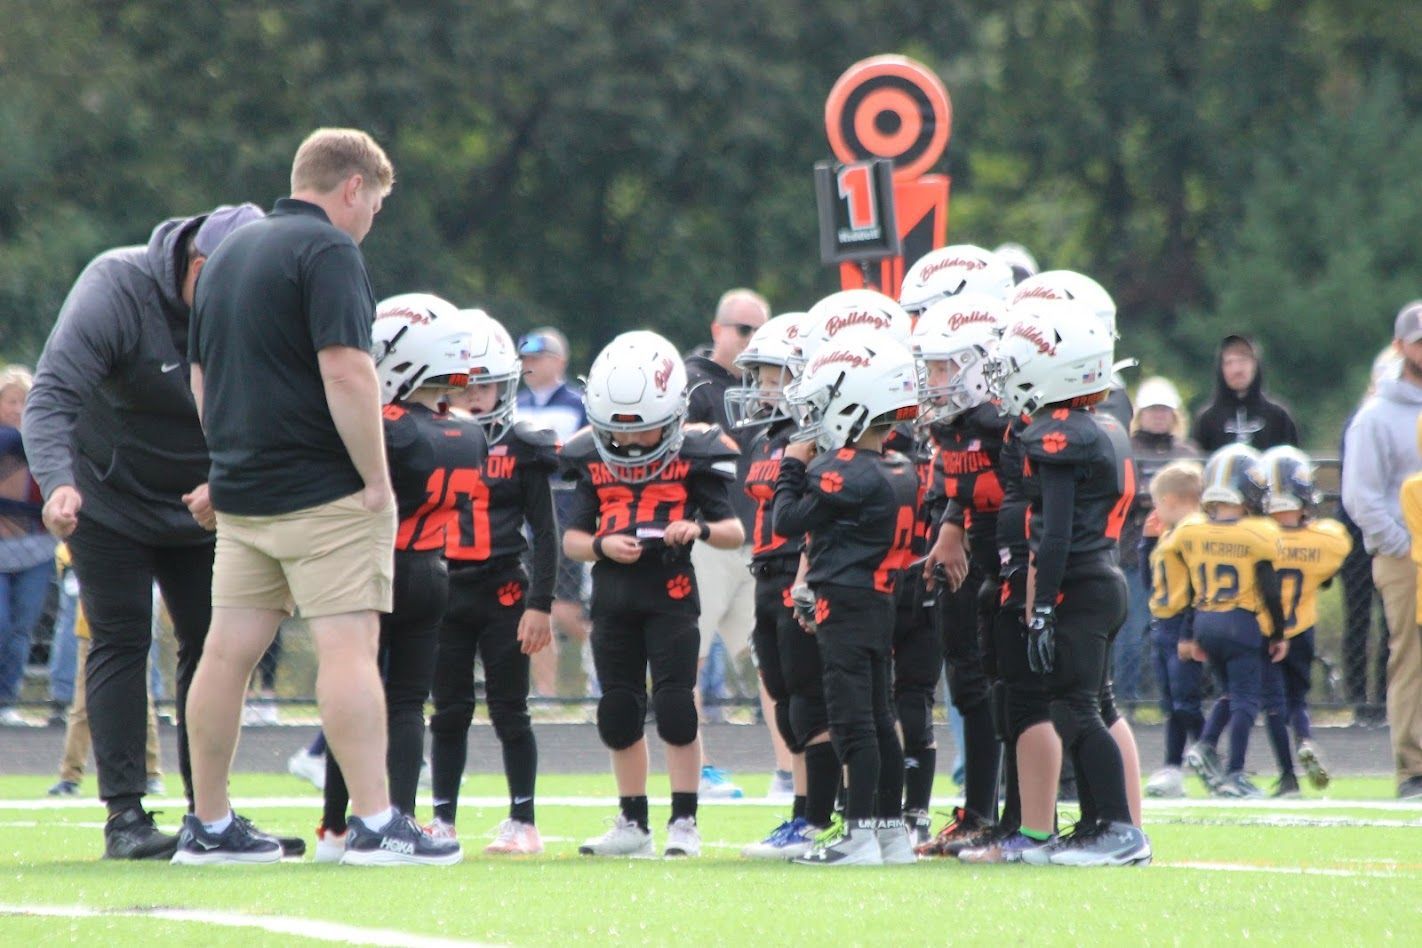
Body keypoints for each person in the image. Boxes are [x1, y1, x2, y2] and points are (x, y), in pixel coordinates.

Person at [177, 128, 455, 866]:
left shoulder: (229, 250)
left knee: (225, 653)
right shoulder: (331, 250)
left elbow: (200, 377)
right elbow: (348, 372)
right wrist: (374, 479)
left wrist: (228, 458)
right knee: (349, 647)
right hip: (323, 491)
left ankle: (207, 825)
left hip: (243, 491)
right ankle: (373, 822)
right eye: (376, 205)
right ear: (353, 187)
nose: (371, 221)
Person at [22, 201, 263, 859]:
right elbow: (52, 395)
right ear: (196, 264)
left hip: (204, 502)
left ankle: (209, 815)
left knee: (214, 646)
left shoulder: (261, 299)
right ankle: (124, 817)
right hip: (107, 498)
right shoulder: (116, 286)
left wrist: (233, 481)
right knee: (122, 636)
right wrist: (58, 480)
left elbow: (286, 408)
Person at [311, 294, 484, 866]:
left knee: (355, 695)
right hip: (433, 570)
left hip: (377, 567)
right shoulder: (468, 433)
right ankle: (397, 819)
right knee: (408, 703)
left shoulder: (390, 426)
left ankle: (338, 828)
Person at [976, 304, 1150, 867]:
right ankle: (1100, 824)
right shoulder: (1099, 425)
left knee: (1074, 709)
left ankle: (1121, 830)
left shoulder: (1059, 433)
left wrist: (1043, 605)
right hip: (1102, 576)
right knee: (1088, 704)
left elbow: (1049, 536)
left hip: (1078, 581)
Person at [562, 330, 744, 859]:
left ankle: (684, 820)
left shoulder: (693, 455)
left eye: (647, 433)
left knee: (675, 708)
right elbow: (572, 538)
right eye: (625, 435)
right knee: (618, 710)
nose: (636, 445)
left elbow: (732, 529)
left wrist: (698, 531)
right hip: (614, 597)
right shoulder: (592, 460)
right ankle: (633, 821)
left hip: (671, 591)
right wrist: (600, 544)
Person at [773, 332, 921, 867]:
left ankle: (858, 833)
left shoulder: (845, 471)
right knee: (880, 715)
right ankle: (888, 831)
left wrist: (792, 463)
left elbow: (785, 520)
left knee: (852, 718)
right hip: (880, 601)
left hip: (850, 603)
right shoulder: (899, 468)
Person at [427, 311, 558, 855]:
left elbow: (547, 533)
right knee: (448, 710)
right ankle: (442, 821)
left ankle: (523, 820)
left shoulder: (524, 447)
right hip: (443, 585)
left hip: (504, 587)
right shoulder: (427, 438)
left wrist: (541, 604)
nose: (477, 396)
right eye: (465, 384)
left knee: (510, 708)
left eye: (486, 384)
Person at [729, 314, 832, 860]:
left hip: (797, 570)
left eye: (774, 378)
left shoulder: (816, 437)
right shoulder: (772, 437)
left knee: (808, 701)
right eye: (762, 378)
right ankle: (803, 812)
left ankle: (815, 818)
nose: (763, 389)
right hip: (766, 574)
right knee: (783, 696)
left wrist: (805, 579)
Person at [913, 293, 1011, 855]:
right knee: (968, 683)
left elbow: (1014, 492)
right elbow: (957, 489)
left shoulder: (1002, 421)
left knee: (1009, 688)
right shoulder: (951, 423)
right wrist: (952, 524)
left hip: (1004, 555)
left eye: (944, 366)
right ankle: (978, 812)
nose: (933, 380)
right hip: (967, 551)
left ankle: (1017, 818)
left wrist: (961, 525)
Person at [684, 288, 770, 800]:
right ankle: (699, 770)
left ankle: (790, 772)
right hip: (707, 538)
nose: (752, 340)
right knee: (688, 657)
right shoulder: (694, 384)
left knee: (773, 661)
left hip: (757, 540)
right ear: (718, 330)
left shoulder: (771, 385)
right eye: (743, 329)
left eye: (760, 330)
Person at [1178, 445, 1290, 798]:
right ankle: (1234, 772)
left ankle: (1205, 744)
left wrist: (1188, 632)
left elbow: (1189, 588)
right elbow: (1270, 590)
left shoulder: (1194, 530)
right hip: (1239, 621)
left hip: (1205, 619)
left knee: (1230, 693)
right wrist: (1278, 631)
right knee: (1247, 699)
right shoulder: (1257, 533)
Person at [1343, 302, 1422, 799]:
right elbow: (1361, 495)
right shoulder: (1377, 415)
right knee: (1411, 658)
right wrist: (1405, 543)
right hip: (1407, 556)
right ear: (1399, 346)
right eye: (1419, 340)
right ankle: (1413, 768)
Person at [1259, 446, 1350, 796]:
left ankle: (1287, 776)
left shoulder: (1257, 535)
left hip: (1267, 628)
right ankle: (1306, 738)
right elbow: (1327, 574)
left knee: (1272, 703)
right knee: (1297, 700)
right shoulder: (1327, 538)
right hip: (1303, 626)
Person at [47, 543, 165, 798]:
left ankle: (151, 772)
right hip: (92, 632)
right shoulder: (79, 543)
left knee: (140, 700)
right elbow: (70, 580)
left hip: (132, 629)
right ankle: (70, 776)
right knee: (82, 705)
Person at [516, 327, 593, 698]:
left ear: (559, 362)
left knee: (565, 610)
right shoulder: (516, 405)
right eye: (525, 359)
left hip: (564, 521)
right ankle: (545, 693)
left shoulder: (578, 404)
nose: (529, 365)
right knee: (535, 608)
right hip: (525, 524)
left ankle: (599, 662)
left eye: (537, 358)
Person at [1116, 377, 1201, 707]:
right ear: (1141, 413)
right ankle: (1126, 700)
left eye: (1165, 409)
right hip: (1134, 554)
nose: (1159, 415)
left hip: (1181, 557)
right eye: (1152, 409)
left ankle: (1176, 700)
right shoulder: (1125, 448)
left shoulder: (1187, 453)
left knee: (1178, 630)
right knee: (1131, 633)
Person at [1140, 461, 1205, 799]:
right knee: (1172, 703)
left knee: (1185, 702)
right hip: (1164, 622)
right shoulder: (1171, 531)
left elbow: (1200, 583)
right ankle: (1174, 766)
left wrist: (1189, 632)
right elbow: (1149, 583)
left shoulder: (1193, 529)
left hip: (1181, 622)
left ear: (1168, 499)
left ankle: (1211, 758)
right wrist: (1147, 543)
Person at [2, 366, 55, 726]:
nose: (18, 408)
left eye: (24, 401)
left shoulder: (46, 442)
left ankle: (7, 699)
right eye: (10, 401)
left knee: (22, 626)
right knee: (1, 623)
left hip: (38, 549)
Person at [1190, 335, 1299, 452]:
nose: (1237, 369)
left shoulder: (1278, 416)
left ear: (1255, 365)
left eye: (1243, 361)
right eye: (1229, 362)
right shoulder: (1207, 419)